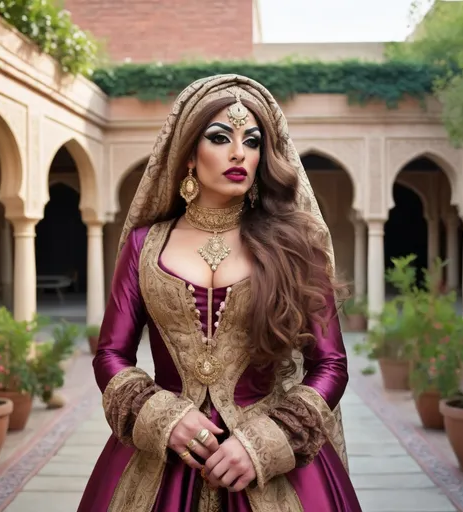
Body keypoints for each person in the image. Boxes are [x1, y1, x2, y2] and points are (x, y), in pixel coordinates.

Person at [77, 74, 362, 512]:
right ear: (189, 153)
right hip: (166, 458)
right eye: (220, 137)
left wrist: (267, 443)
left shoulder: (294, 245)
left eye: (252, 141)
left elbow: (331, 364)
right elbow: (111, 355)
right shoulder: (144, 245)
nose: (238, 153)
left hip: (270, 463)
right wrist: (162, 418)